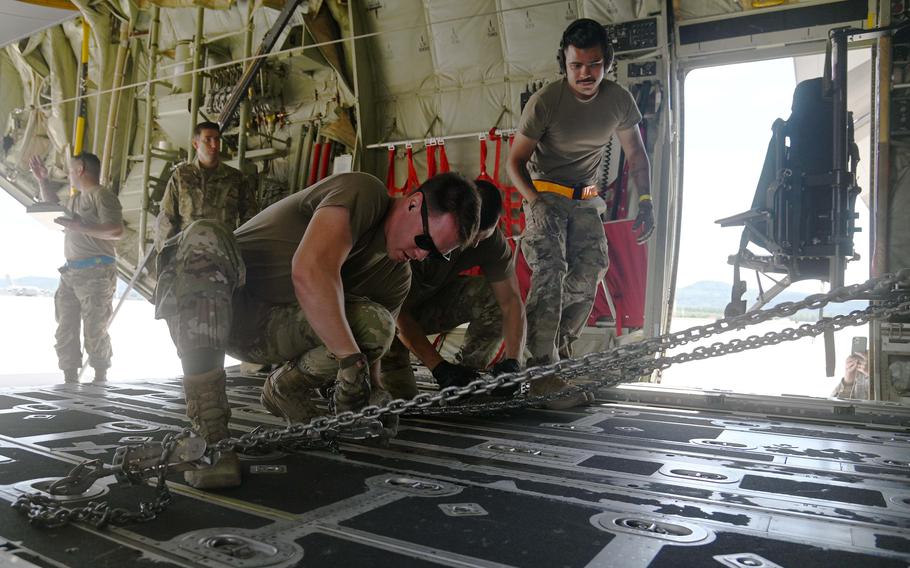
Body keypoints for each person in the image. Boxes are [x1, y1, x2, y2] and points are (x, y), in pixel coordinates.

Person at [155, 171, 480, 489]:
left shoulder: (397, 277)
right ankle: (212, 437)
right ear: (413, 203)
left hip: (271, 331)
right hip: (225, 304)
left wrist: (369, 395)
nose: (421, 254)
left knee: (377, 324)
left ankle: (286, 388)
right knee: (206, 234)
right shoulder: (365, 193)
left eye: (434, 253)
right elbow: (310, 270)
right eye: (424, 240)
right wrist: (350, 360)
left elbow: (376, 347)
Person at [506, 18, 655, 405]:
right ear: (565, 64)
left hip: (586, 199)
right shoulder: (546, 101)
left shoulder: (619, 100)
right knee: (550, 272)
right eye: (576, 66)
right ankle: (540, 369)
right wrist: (534, 204)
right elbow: (514, 163)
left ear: (606, 62)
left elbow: (637, 155)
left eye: (593, 65)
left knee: (590, 272)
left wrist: (645, 202)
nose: (585, 74)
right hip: (544, 194)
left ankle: (559, 352)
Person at [380, 180, 526, 399]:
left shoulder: (491, 243)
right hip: (385, 317)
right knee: (402, 403)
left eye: (482, 236)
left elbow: (511, 302)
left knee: (492, 297)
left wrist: (514, 362)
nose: (475, 244)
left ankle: (468, 373)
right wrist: (439, 368)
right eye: (472, 235)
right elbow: (396, 310)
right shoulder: (417, 235)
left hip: (427, 305)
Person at [29, 152, 124, 384]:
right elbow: (54, 210)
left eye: (71, 169)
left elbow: (116, 231)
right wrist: (43, 180)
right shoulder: (75, 199)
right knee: (65, 328)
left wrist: (81, 227)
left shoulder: (101, 195)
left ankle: (100, 378)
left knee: (94, 329)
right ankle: (69, 378)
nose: (69, 173)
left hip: (97, 271)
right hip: (71, 272)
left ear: (81, 169)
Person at [154, 121, 257, 252]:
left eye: (217, 140)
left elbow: (250, 218)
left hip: (223, 254)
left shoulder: (235, 178)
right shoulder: (181, 176)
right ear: (196, 144)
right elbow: (167, 218)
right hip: (188, 254)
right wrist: (167, 256)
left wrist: (241, 252)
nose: (214, 145)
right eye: (207, 140)